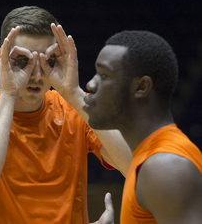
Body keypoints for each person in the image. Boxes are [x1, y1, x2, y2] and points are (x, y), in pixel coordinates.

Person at [0, 6, 132, 224]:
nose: (37, 75)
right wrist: (8, 97)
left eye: (48, 61)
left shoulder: (77, 108)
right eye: (23, 60)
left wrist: (74, 94)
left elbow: (137, 166)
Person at [83, 30, 202, 223]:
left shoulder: (164, 167)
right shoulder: (150, 156)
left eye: (104, 75)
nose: (90, 84)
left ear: (141, 87)